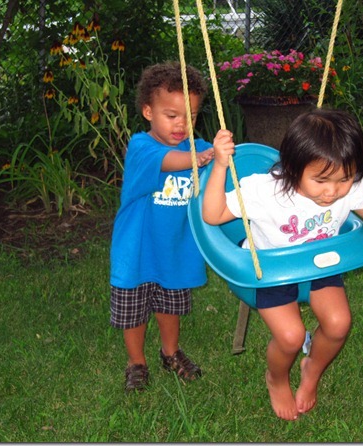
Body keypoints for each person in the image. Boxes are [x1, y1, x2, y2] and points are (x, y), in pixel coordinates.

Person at [203, 109, 363, 420]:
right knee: (291, 337)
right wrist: (220, 166)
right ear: (293, 168)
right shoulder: (264, 191)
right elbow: (212, 216)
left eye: (344, 179)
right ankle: (277, 379)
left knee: (338, 324)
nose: (332, 192)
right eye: (320, 180)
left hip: (319, 266)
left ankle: (312, 369)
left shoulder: (349, 184)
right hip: (270, 271)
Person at [109, 62, 220, 392]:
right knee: (134, 312)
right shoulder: (142, 147)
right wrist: (202, 157)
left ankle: (170, 353)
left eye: (191, 116)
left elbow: (219, 174)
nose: (182, 125)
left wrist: (222, 155)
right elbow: (172, 161)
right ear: (148, 111)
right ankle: (136, 362)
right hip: (137, 250)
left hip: (175, 248)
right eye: (171, 115)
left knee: (170, 306)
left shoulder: (198, 148)